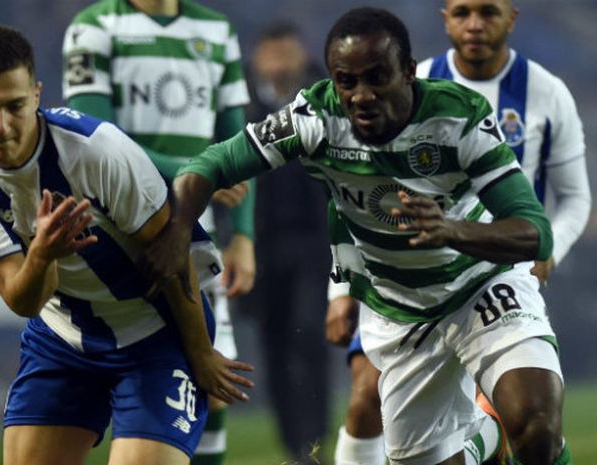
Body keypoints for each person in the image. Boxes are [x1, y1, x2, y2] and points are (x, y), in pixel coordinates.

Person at [138, 6, 575, 465]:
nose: (361, 95)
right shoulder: (314, 117)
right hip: (401, 312)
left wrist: (454, 230)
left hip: (480, 288)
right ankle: (486, 438)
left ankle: (511, 431)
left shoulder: (458, 118)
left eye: (376, 77)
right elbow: (206, 167)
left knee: (537, 428)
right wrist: (177, 228)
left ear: (408, 72)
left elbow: (534, 232)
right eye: (347, 81)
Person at [0, 24, 253, 465]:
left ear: (37, 95)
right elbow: (22, 300)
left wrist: (199, 352)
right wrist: (43, 255)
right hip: (63, 335)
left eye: (15, 107)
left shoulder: (96, 151)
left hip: (154, 333)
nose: (2, 127)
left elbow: (172, 254)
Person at [328, 1, 591, 464]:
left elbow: (575, 198)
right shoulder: (397, 81)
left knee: (532, 423)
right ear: (444, 16)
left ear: (511, 18)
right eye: (463, 11)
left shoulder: (547, 93)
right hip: (400, 282)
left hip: (493, 270)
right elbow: (353, 188)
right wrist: (338, 290)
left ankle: (488, 437)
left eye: (488, 12)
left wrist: (547, 251)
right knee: (366, 392)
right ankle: (483, 438)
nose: (474, 24)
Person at [61, 2, 255, 462]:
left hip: (194, 232)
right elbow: (94, 140)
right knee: (168, 371)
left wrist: (245, 236)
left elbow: (244, 143)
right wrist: (198, 170)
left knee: (217, 384)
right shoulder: (94, 28)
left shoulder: (216, 29)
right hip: (121, 232)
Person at [242, 22, 332, 464]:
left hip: (315, 245)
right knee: (274, 345)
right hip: (260, 248)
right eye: (271, 56)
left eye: (286, 55)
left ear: (301, 56)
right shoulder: (239, 105)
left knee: (309, 334)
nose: (279, 65)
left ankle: (315, 432)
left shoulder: (326, 98)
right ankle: (293, 442)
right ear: (259, 60)